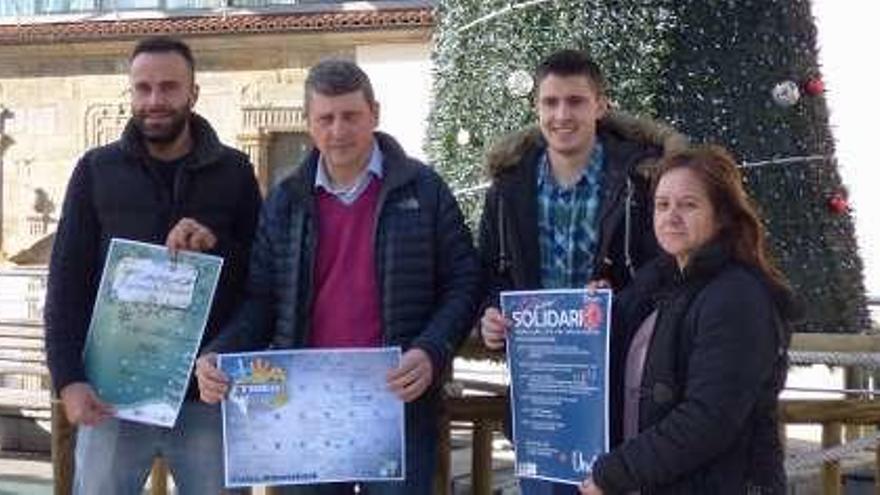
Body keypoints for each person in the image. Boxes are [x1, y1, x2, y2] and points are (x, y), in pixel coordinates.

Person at [194, 58, 481, 494]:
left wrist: (431, 350)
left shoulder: (424, 189)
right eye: (325, 118)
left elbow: (464, 282)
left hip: (396, 404)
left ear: (375, 114)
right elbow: (261, 300)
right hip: (305, 410)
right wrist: (220, 352)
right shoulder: (286, 200)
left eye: (351, 116)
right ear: (309, 124)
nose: (338, 130)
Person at [44, 36, 262, 494]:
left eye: (168, 87)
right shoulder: (96, 170)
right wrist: (69, 380)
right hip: (112, 397)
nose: (154, 101)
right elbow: (66, 283)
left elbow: (260, 280)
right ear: (131, 94)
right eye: (142, 89)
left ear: (193, 93)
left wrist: (215, 245)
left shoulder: (235, 171)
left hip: (207, 398)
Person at [477, 49, 686, 494]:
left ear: (601, 105)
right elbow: (489, 273)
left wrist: (617, 301)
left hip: (618, 388)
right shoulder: (508, 186)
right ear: (536, 109)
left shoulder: (643, 181)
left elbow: (669, 265)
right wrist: (492, 314)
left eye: (575, 101)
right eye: (550, 103)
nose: (561, 114)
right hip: (541, 396)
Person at [579, 145, 796, 494]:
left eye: (689, 205)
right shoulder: (657, 286)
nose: (671, 216)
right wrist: (587, 317)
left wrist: (616, 472)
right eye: (662, 205)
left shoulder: (737, 296)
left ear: (722, 215)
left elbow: (708, 419)